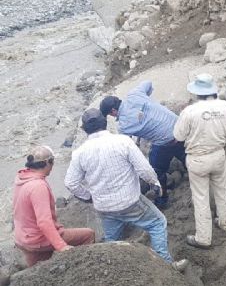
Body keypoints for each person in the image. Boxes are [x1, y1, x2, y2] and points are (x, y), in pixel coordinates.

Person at [65, 109, 187, 271]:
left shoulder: (79, 153)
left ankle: (114, 271)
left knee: (112, 241)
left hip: (104, 207)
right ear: (105, 123)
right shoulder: (123, 141)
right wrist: (155, 184)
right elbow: (144, 169)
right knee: (157, 223)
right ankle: (166, 265)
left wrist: (89, 197)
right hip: (130, 201)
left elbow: (70, 183)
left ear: (84, 129)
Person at [99, 81, 185, 210]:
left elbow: (125, 146)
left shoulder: (124, 126)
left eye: (110, 115)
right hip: (181, 127)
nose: (112, 116)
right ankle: (192, 169)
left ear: (113, 111)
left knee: (155, 170)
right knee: (185, 154)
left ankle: (162, 199)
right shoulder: (135, 94)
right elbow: (149, 83)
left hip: (166, 141)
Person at [174, 74, 226, 249]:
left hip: (198, 158)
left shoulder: (190, 111)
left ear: (196, 92)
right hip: (218, 154)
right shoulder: (225, 105)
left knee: (200, 198)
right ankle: (225, 222)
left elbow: (178, 136)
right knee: (222, 189)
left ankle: (204, 238)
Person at [12, 146, 95, 267]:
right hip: (37, 239)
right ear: (48, 163)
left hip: (22, 237)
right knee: (88, 234)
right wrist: (62, 246)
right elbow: (44, 222)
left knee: (38, 268)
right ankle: (81, 269)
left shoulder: (21, 178)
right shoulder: (38, 186)